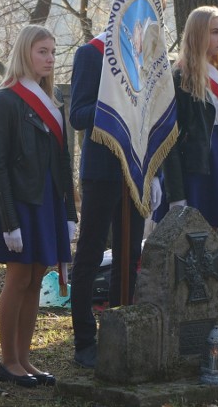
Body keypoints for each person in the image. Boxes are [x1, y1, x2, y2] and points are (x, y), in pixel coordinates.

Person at [0, 25, 77, 387]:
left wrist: (69, 211)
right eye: (42, 51)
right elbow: (0, 163)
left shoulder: (53, 102)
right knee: (19, 276)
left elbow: (64, 160)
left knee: (38, 277)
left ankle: (25, 359)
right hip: (19, 203)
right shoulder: (5, 99)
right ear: (25, 53)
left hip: (48, 202)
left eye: (53, 51)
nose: (50, 58)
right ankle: (7, 362)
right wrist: (9, 221)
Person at [68, 32, 159, 369]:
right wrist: (115, 100)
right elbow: (78, 114)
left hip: (136, 169)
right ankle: (84, 341)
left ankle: (121, 333)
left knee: (129, 254)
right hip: (103, 169)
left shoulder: (149, 59)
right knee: (90, 254)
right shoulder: (91, 54)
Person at [164, 6, 218, 234]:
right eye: (215, 32)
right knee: (189, 240)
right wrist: (176, 194)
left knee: (212, 239)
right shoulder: (181, 78)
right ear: (198, 34)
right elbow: (170, 141)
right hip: (193, 167)